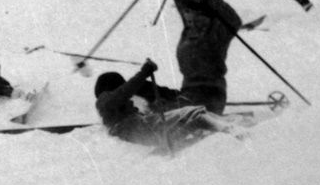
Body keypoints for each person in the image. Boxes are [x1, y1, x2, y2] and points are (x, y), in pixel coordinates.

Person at [94, 59, 232, 149]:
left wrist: (159, 106)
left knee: (193, 119)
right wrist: (144, 72)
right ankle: (231, 130)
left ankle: (224, 127)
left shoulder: (113, 108)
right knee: (193, 113)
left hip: (143, 129)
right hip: (138, 128)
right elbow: (124, 91)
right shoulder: (105, 100)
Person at [169, 0, 242, 114]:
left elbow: (235, 20)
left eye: (190, 11)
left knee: (181, 117)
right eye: (185, 11)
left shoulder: (216, 31)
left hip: (210, 93)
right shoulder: (190, 26)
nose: (185, 13)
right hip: (187, 90)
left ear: (201, 13)